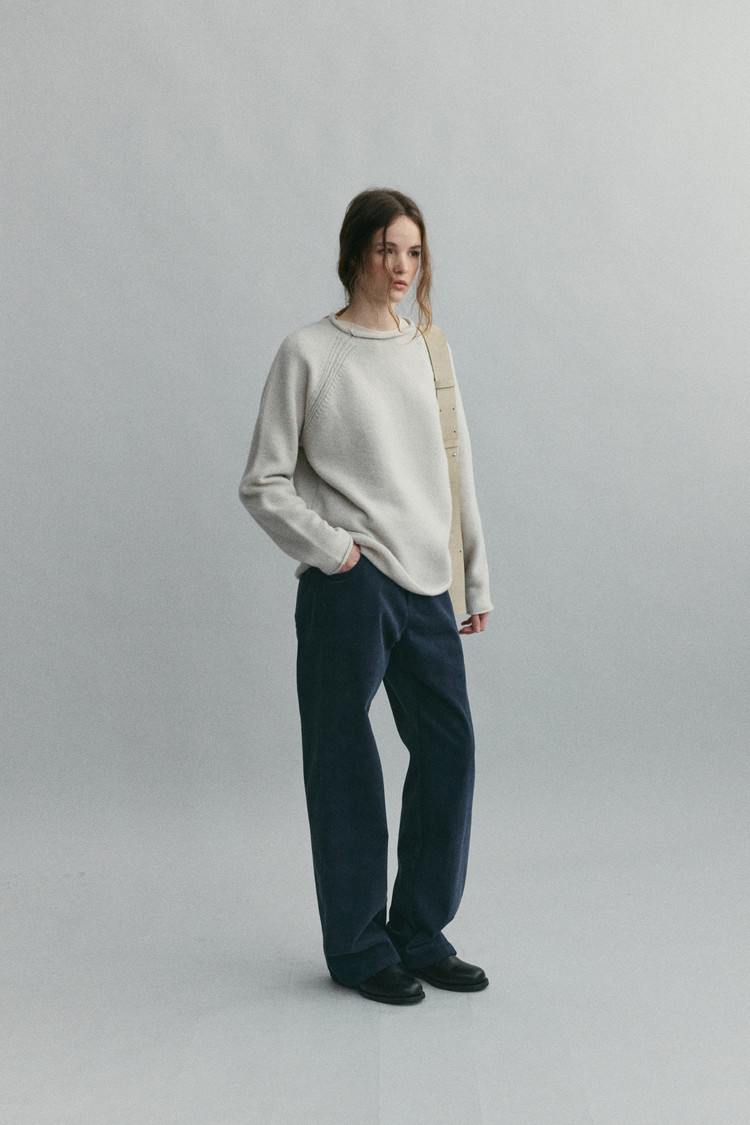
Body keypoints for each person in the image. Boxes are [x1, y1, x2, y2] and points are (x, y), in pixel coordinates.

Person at [239, 188, 493, 1005]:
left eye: (414, 252)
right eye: (388, 249)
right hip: (350, 587)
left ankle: (418, 932)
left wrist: (472, 575)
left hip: (427, 583)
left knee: (448, 749)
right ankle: (357, 946)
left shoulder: (429, 350)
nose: (401, 266)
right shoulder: (309, 353)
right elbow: (263, 481)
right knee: (344, 764)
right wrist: (336, 552)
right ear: (355, 252)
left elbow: (455, 470)